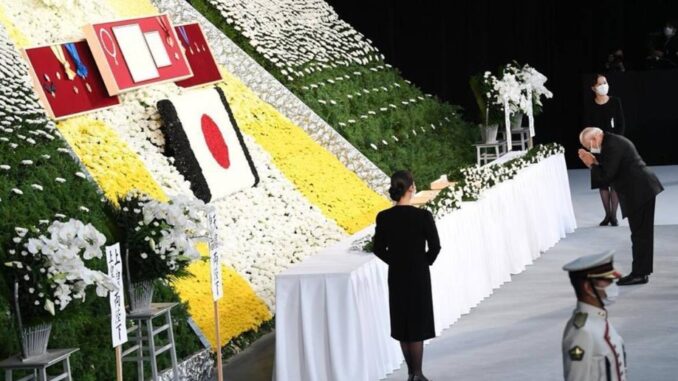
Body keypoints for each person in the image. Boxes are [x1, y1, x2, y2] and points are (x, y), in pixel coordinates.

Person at [373, 170, 441, 381]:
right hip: (418, 275)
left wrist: (395, 262)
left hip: (398, 275)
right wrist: (423, 262)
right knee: (417, 323)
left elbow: (378, 249)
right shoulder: (423, 216)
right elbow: (436, 247)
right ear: (411, 188)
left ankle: (412, 373)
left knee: (403, 323)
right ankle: (417, 373)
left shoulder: (384, 217)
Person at [578, 127, 664, 285]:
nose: (591, 148)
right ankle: (641, 272)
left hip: (640, 190)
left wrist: (592, 164)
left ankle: (640, 274)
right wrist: (595, 162)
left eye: (589, 145)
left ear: (596, 136)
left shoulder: (612, 145)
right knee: (640, 234)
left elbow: (606, 176)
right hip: (639, 189)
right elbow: (609, 170)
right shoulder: (610, 142)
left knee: (640, 234)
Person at [562, 251, 627, 381]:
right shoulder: (582, 331)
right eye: (608, 281)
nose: (613, 285)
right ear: (588, 287)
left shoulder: (599, 321)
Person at [583, 74, 626, 226]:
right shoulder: (590, 105)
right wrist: (593, 144)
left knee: (614, 182)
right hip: (596, 147)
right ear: (593, 88)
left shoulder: (615, 102)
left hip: (614, 146)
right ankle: (607, 215)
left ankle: (614, 215)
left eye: (605, 82)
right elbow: (587, 128)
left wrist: (616, 142)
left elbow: (621, 124)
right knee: (602, 182)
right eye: (600, 84)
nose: (604, 86)